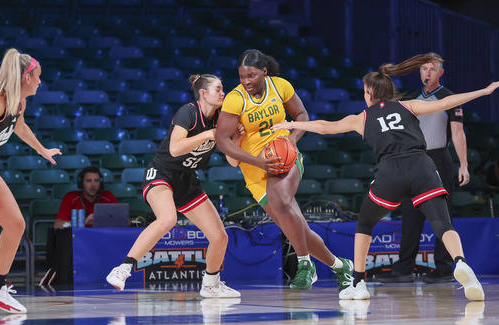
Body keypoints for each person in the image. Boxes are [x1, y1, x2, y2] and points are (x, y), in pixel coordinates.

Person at [272, 54, 498, 301]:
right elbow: (447, 103)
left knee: (366, 223)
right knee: (443, 224)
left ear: (369, 93)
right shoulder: (408, 105)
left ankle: (358, 282)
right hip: (422, 165)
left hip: (390, 172)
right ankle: (462, 264)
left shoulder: (362, 118)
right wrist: (484, 92)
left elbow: (327, 126)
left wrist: (292, 125)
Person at [215, 49, 353, 292]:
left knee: (281, 204)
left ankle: (305, 266)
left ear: (264, 72)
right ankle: (341, 266)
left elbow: (301, 115)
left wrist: (292, 139)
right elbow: (222, 141)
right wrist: (256, 162)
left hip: (283, 155)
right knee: (297, 226)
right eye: (242, 76)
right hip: (254, 168)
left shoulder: (280, 86)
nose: (246, 81)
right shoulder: (235, 99)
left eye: (252, 75)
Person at [106, 74, 241, 298]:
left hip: (188, 180)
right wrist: (209, 134)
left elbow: (233, 162)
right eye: (218, 89)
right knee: (168, 219)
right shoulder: (188, 111)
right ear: (203, 94)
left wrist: (236, 139)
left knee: (220, 237)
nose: (222, 92)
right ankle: (123, 269)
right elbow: (175, 149)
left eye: (222, 88)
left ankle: (211, 285)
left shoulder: (223, 119)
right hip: (162, 173)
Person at [375, 52, 470, 284]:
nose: (427, 74)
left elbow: (458, 132)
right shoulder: (413, 98)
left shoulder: (449, 97)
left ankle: (445, 268)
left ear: (440, 72)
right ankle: (404, 268)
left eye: (432, 69)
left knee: (442, 215)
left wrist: (464, 164)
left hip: (439, 158)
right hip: (414, 158)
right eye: (423, 69)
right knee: (410, 214)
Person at [0, 48, 61, 313]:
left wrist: (42, 149)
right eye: (38, 76)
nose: (41, 82)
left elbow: (19, 127)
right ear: (26, 77)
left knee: (16, 224)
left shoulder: (19, 103)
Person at [54, 166, 118, 228]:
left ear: (100, 183)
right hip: (78, 238)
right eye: (88, 181)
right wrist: (83, 222)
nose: (93, 185)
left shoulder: (108, 196)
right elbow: (57, 225)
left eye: (96, 181)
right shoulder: (71, 197)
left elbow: (127, 221)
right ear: (81, 183)